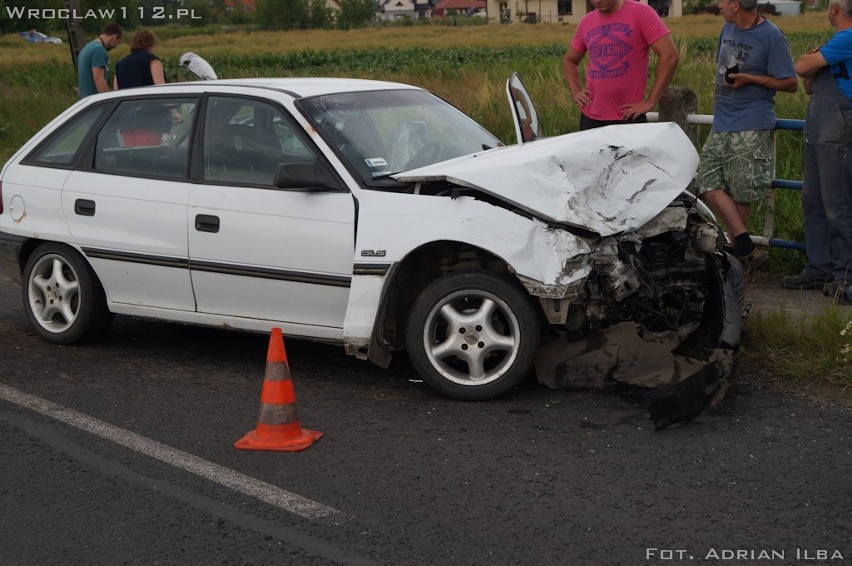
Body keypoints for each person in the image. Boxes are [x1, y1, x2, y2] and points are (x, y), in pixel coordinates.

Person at [694, 0, 797, 273]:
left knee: (741, 192)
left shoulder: (771, 35)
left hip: (751, 122)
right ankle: (746, 247)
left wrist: (751, 79)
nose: (718, 6)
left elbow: (790, 83)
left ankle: (737, 265)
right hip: (723, 121)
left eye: (723, 2)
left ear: (736, 4)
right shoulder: (726, 29)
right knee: (706, 180)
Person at [782, 0, 852, 303]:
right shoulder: (836, 43)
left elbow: (800, 68)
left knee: (837, 203)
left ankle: (844, 275)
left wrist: (812, 59)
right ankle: (819, 266)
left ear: (836, 8)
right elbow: (809, 85)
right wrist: (814, 62)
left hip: (837, 125)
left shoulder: (847, 37)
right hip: (820, 125)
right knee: (814, 199)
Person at [562, 0, 679, 131]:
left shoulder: (641, 13)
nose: (596, 1)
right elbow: (569, 60)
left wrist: (650, 101)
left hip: (629, 117)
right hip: (591, 119)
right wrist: (576, 91)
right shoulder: (586, 22)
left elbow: (670, 56)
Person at [76, 22, 123, 99]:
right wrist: (109, 100)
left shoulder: (87, 48)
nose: (116, 46)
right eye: (118, 42)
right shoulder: (99, 50)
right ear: (115, 37)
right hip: (95, 101)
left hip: (85, 101)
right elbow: (99, 80)